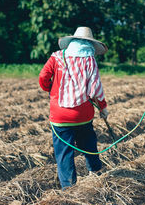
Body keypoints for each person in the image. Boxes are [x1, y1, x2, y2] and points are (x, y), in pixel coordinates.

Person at [38, 27, 109, 189]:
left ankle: (68, 187)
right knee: (89, 143)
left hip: (60, 115)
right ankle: (96, 172)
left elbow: (43, 77)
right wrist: (102, 108)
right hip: (83, 114)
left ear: (72, 42)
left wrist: (49, 89)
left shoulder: (57, 57)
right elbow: (95, 89)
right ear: (90, 44)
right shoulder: (90, 60)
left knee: (64, 152)